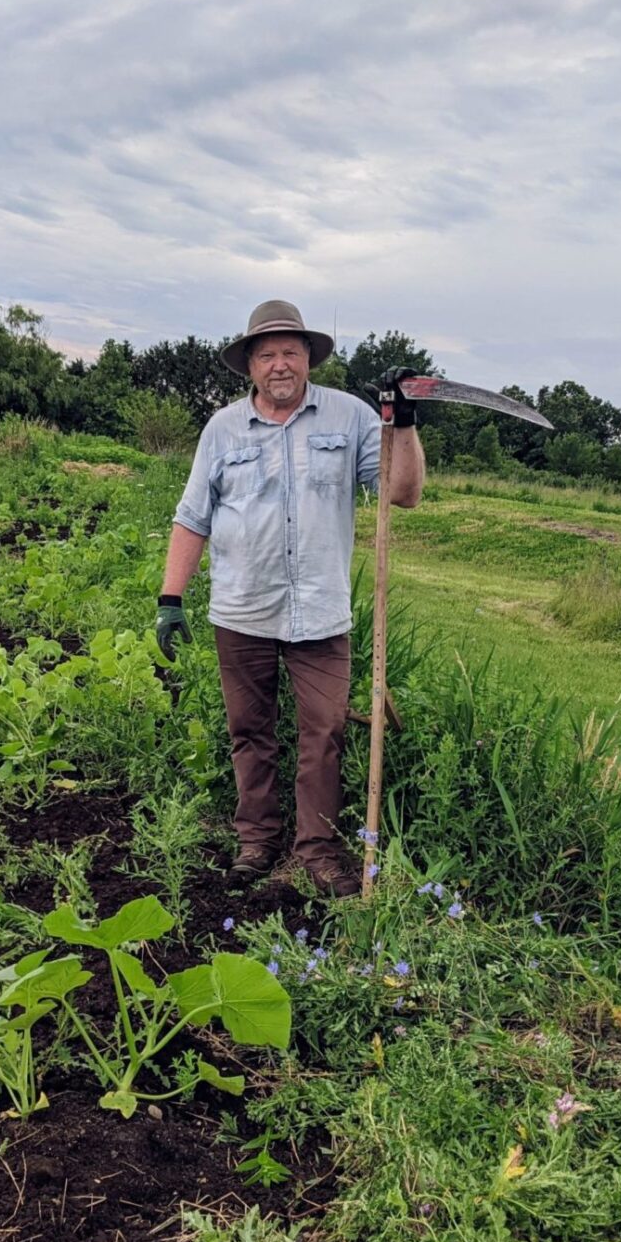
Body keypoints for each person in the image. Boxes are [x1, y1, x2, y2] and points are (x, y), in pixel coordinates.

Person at [156, 300, 425, 897]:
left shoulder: (352, 417)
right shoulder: (222, 429)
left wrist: (402, 423)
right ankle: (257, 839)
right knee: (250, 730)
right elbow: (192, 517)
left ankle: (318, 851)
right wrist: (170, 597)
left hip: (322, 613)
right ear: (250, 365)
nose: (280, 365)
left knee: (324, 730)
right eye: (267, 354)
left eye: (291, 352)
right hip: (242, 608)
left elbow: (402, 495)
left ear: (308, 359)